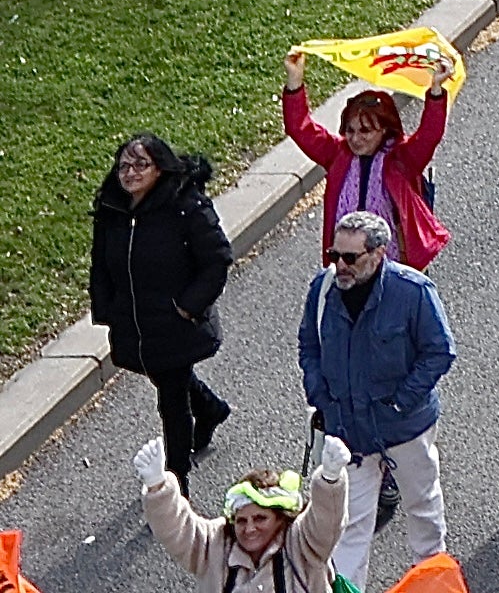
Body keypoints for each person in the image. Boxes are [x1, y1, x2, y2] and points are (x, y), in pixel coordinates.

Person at [295, 210, 452, 584]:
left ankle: (432, 585)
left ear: (379, 253)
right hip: (349, 432)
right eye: (335, 255)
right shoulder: (322, 290)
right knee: (348, 526)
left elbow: (439, 352)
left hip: (405, 428)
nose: (340, 265)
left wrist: (401, 402)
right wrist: (321, 397)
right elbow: (309, 345)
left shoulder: (413, 291)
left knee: (424, 510)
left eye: (351, 257)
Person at [97, 130, 235, 478]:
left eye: (140, 164)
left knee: (171, 401)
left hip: (176, 321)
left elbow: (217, 260)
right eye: (123, 165)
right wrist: (107, 309)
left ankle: (176, 481)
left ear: (161, 168)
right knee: (165, 375)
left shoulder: (186, 206)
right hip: (135, 321)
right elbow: (100, 262)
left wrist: (188, 308)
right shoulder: (112, 208)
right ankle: (209, 408)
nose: (129, 173)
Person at [279, 66, 448, 271]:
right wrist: (294, 80)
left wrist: (436, 90)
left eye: (365, 131)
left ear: (385, 129)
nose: (356, 139)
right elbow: (299, 127)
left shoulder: (402, 159)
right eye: (350, 130)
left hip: (396, 270)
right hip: (347, 268)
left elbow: (430, 134)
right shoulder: (337, 154)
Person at [135, 433, 350, 593]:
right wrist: (158, 487)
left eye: (260, 518)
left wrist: (330, 480)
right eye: (241, 521)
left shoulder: (302, 543)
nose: (249, 529)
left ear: (281, 519)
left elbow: (326, 521)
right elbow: (177, 529)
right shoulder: (215, 546)